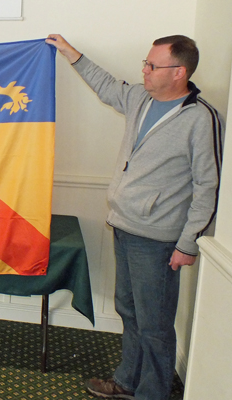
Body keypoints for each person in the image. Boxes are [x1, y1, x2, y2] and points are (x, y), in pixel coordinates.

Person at [46, 34, 223, 399]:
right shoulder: (141, 98)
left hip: (159, 240)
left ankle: (152, 393)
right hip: (124, 227)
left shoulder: (201, 119)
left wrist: (189, 243)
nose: (143, 70)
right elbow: (106, 84)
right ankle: (127, 382)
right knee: (129, 311)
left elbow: (209, 186)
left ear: (179, 72)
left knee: (155, 324)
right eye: (145, 62)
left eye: (152, 65)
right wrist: (70, 52)